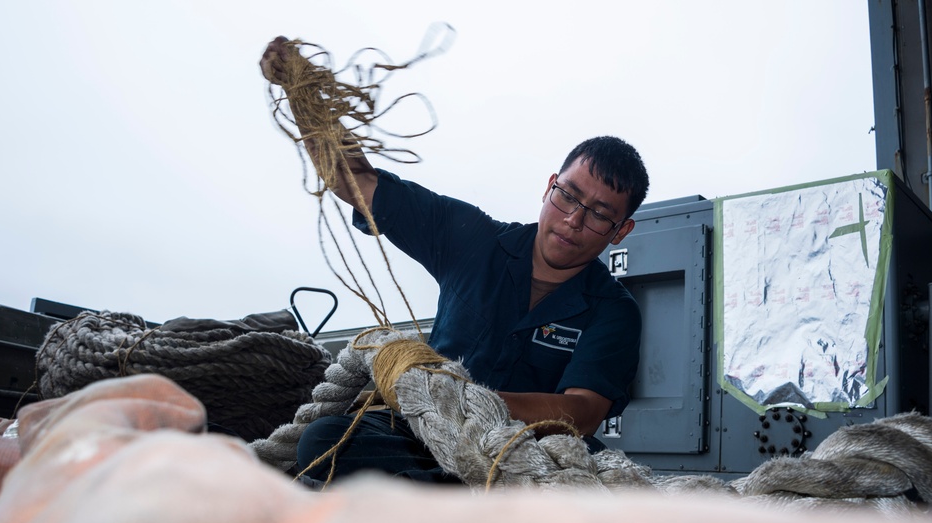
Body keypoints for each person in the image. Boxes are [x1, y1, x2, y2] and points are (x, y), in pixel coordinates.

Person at [260, 37, 649, 484]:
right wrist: (304, 94)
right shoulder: (472, 238)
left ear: (621, 231)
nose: (573, 220)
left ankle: (423, 505)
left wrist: (460, 400)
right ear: (549, 186)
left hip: (525, 457)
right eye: (568, 196)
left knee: (568, 487)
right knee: (326, 443)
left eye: (600, 215)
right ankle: (446, 507)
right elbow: (358, 184)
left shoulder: (615, 311)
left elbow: (581, 413)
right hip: (423, 436)